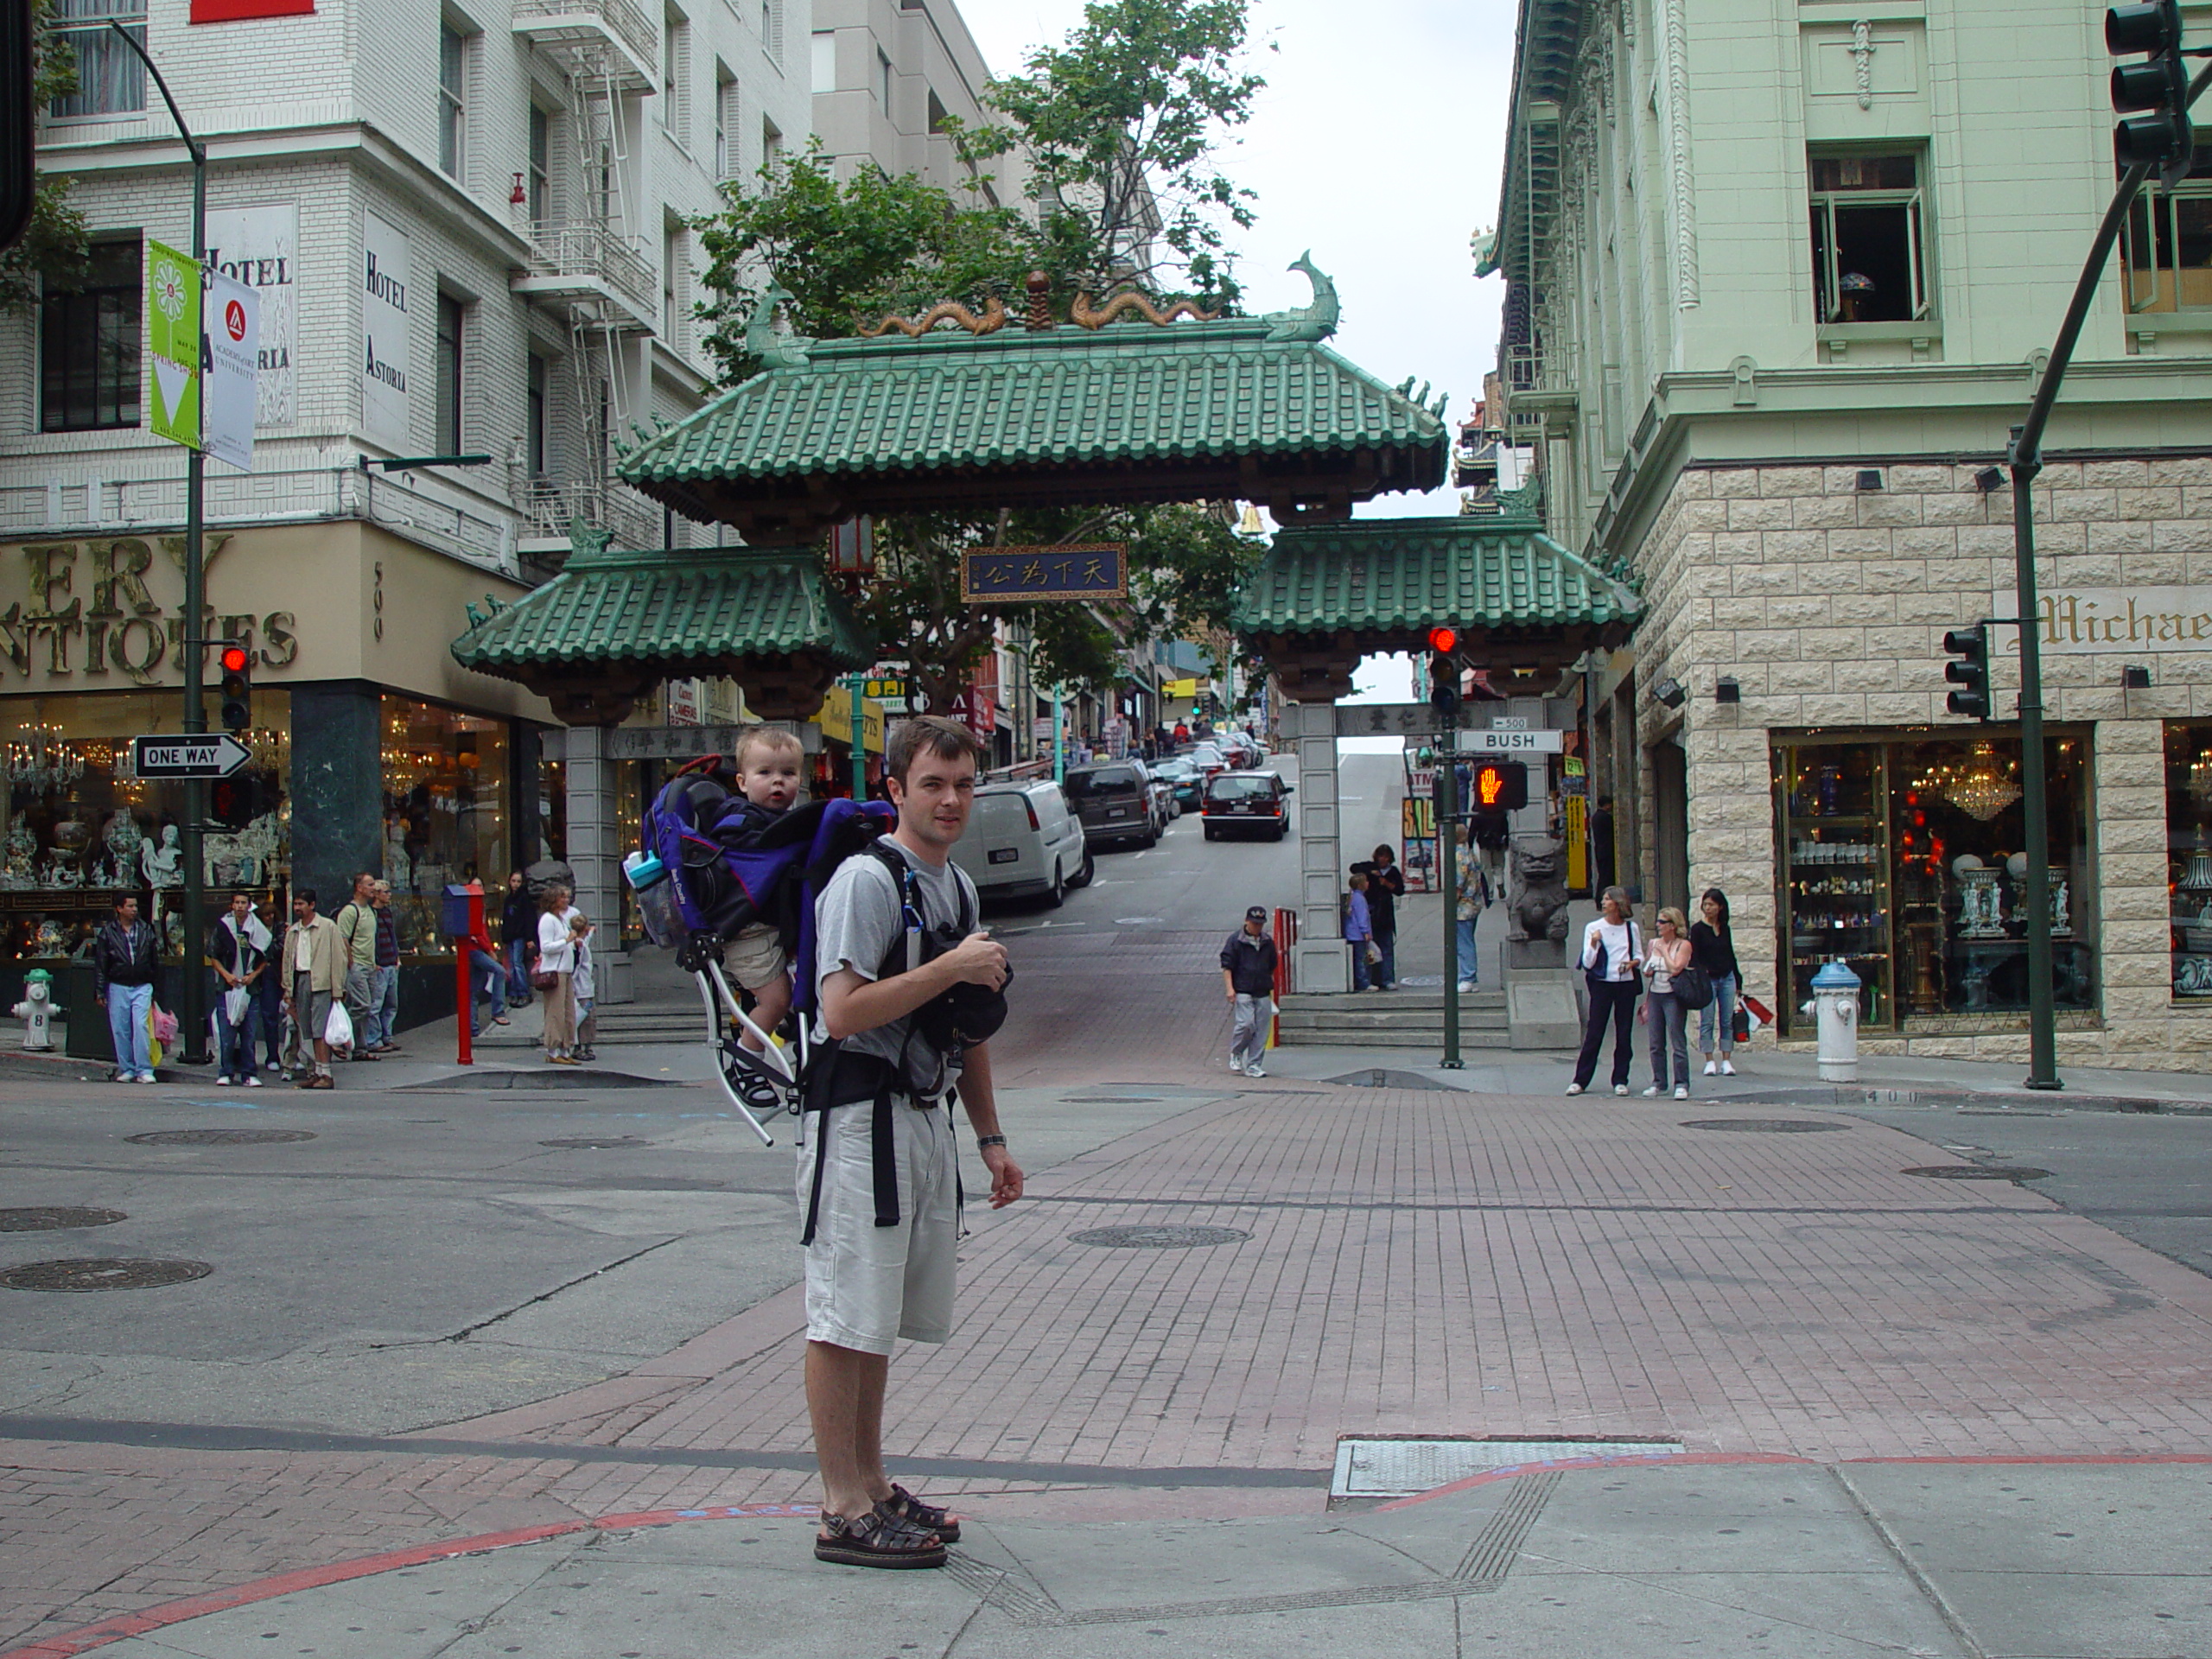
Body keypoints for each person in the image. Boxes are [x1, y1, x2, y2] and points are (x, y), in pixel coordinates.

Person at [803, 715, 1020, 1570]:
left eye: (963, 784)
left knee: (878, 1317)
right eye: (932, 783)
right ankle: (840, 1506)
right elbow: (841, 1011)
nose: (951, 800)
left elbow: (963, 1031)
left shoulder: (956, 889)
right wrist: (948, 969)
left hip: (921, 1117)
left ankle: (875, 1486)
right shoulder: (865, 881)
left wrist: (992, 1138)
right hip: (857, 1116)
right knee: (843, 1313)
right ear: (895, 789)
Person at [720, 726, 805, 1109]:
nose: (778, 782)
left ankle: (786, 1030)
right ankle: (745, 1060)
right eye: (765, 773)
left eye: (788, 774)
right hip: (747, 933)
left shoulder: (785, 824)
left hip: (775, 932)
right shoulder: (737, 823)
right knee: (777, 998)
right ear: (741, 781)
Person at [1567, 886, 1642, 1096]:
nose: (1603, 903)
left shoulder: (1631, 928)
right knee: (1595, 1031)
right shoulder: (1593, 927)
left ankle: (1620, 1079)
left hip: (1625, 983)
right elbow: (1588, 962)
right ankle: (1580, 1080)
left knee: (1624, 1032)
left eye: (1608, 899)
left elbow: (1639, 955)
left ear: (1618, 904)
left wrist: (1632, 963)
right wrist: (1594, 943)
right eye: (1603, 899)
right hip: (1602, 983)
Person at [92, 893, 161, 1084]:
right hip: (118, 984)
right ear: (119, 909)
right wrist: (100, 990)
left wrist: (156, 986)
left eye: (135, 906)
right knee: (121, 1028)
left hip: (142, 983)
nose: (134, 910)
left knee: (140, 1025)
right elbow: (101, 963)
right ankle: (127, 1067)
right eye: (130, 906)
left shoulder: (146, 930)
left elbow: (154, 960)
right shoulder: (108, 933)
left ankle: (144, 1068)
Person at [282, 887, 343, 1090]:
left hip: (321, 982)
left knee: (320, 1030)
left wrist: (337, 989)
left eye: (301, 904)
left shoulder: (327, 927)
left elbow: (338, 958)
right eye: (295, 904)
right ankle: (317, 1072)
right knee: (306, 1029)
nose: (297, 908)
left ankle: (326, 1073)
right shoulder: (293, 931)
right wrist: (288, 990)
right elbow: (288, 961)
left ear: (312, 905)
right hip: (301, 980)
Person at [207, 890, 270, 1087]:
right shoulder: (223, 926)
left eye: (244, 903)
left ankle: (249, 1073)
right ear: (232, 906)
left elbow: (266, 957)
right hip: (228, 986)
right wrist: (226, 975)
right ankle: (226, 1071)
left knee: (249, 1033)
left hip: (250, 987)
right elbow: (213, 955)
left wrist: (252, 976)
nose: (240, 906)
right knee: (227, 1033)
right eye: (237, 903)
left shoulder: (256, 928)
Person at [1642, 906, 1694, 1100]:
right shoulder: (1653, 943)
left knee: (1677, 1040)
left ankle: (1681, 1082)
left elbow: (1676, 968)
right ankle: (1659, 1082)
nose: (1658, 925)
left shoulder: (1683, 945)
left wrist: (1664, 951)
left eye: (1662, 922)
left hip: (1674, 994)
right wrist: (1649, 969)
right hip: (1656, 993)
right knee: (1656, 1042)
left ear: (1672, 925)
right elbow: (1648, 965)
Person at [1220, 905, 1279, 1078]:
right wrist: (1230, 989)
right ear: (1247, 921)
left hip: (1262, 989)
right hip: (1243, 988)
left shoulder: (1267, 941)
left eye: (1260, 924)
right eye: (1254, 923)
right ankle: (1237, 1052)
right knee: (1246, 1024)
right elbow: (1227, 966)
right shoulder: (1235, 941)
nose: (1257, 927)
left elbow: (1272, 964)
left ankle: (1254, 1064)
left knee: (1261, 1029)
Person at [1691, 887, 1741, 1077]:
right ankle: (1709, 1059)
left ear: (1720, 907)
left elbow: (1730, 952)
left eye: (1711, 904)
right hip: (1708, 979)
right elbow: (1695, 957)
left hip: (1726, 976)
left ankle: (1727, 1060)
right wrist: (1700, 976)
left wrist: (1738, 978)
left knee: (1727, 1020)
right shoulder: (1697, 929)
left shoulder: (1724, 928)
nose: (1707, 908)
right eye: (1705, 904)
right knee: (1708, 1020)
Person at [333, 872, 379, 1062]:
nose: (373, 888)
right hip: (356, 965)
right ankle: (338, 1034)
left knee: (368, 1008)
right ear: (359, 888)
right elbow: (342, 938)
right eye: (369, 885)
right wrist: (350, 961)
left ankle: (360, 1048)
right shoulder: (350, 911)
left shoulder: (371, 911)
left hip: (369, 965)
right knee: (362, 1005)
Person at [537, 881, 579, 1064]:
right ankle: (552, 1050)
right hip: (555, 971)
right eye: (563, 897)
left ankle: (565, 1048)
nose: (566, 900)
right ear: (554, 900)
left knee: (568, 1012)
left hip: (566, 970)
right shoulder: (547, 920)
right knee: (555, 1012)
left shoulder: (560, 919)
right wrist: (567, 940)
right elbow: (545, 947)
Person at [1354, 845, 1406, 992]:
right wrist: (1371, 872)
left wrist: (1387, 883)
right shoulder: (1370, 867)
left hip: (1385, 915)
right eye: (1380, 856)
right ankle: (1371, 979)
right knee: (1370, 950)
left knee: (1386, 949)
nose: (1383, 860)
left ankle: (1387, 979)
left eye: (1386, 857)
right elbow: (1354, 868)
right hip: (1371, 914)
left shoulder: (1393, 872)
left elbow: (1400, 890)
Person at [1454, 823, 1492, 994]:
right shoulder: (1469, 851)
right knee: (1466, 940)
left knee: (1464, 942)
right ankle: (1466, 975)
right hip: (1474, 903)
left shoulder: (1458, 855)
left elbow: (1458, 882)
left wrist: (1452, 901)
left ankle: (1467, 977)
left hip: (1463, 906)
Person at [254, 895, 288, 1077]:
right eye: (266, 915)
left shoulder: (280, 929)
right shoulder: (255, 930)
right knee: (269, 1016)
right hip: (266, 975)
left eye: (272, 915)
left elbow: (279, 948)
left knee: (290, 1017)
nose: (269, 918)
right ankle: (272, 1056)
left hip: (279, 973)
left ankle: (291, 1056)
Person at [368, 880, 403, 1054]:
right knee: (377, 1004)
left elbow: (392, 935)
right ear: (377, 894)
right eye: (385, 892)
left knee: (391, 1003)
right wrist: (374, 961)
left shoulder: (387, 912)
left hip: (390, 962)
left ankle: (387, 1036)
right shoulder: (370, 914)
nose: (388, 895)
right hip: (380, 964)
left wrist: (396, 957)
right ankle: (374, 1039)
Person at [500, 870, 535, 1006]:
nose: (515, 884)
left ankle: (523, 992)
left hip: (519, 935)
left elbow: (529, 918)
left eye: (518, 881)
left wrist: (529, 937)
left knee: (517, 963)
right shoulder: (509, 899)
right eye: (514, 881)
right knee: (514, 965)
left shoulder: (524, 898)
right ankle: (515, 992)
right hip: (511, 936)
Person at [569, 910, 598, 1063]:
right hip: (582, 988)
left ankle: (580, 1045)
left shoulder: (579, 943)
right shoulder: (579, 946)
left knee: (582, 1016)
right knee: (586, 1017)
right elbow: (576, 966)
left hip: (582, 987)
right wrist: (572, 984)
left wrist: (591, 933)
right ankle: (582, 1046)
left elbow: (585, 941)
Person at [1344, 870, 1376, 991]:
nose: (1368, 883)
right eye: (1366, 881)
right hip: (1359, 934)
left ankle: (1360, 982)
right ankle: (1364, 983)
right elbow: (1362, 917)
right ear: (1361, 884)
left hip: (1352, 933)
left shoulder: (1353, 897)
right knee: (1362, 960)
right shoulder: (1360, 899)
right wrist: (1366, 932)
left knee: (1358, 959)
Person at [1590, 795, 1617, 891]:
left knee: (1602, 875)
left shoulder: (1595, 817)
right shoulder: (1606, 817)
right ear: (1607, 805)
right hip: (1607, 850)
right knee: (1607, 877)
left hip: (1600, 849)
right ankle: (1603, 895)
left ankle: (1600, 897)